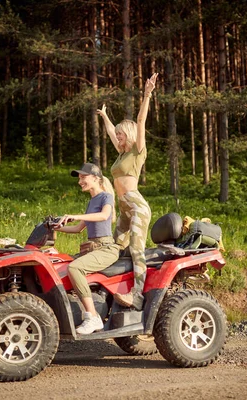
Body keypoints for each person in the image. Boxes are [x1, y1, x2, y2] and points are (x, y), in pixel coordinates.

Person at [96, 72, 158, 310]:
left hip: (136, 206)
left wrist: (147, 94)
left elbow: (141, 121)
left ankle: (138, 295)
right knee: (114, 248)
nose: (118, 136)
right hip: (124, 209)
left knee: (135, 248)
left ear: (129, 135)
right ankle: (110, 291)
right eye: (118, 134)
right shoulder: (121, 153)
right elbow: (111, 132)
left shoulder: (137, 151)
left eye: (122, 134)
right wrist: (105, 117)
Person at [54, 163, 120, 335]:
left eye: (83, 177)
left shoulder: (106, 197)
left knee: (74, 268)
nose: (80, 181)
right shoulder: (92, 202)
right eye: (79, 178)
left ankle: (92, 316)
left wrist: (75, 216)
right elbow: (78, 229)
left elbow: (104, 215)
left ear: (96, 178)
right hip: (92, 248)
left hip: (106, 248)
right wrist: (55, 227)